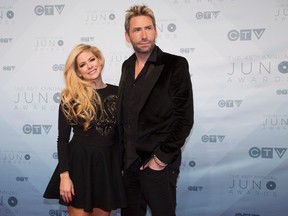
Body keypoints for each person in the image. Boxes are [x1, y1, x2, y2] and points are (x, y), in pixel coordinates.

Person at [117, 4, 194, 216]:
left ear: (156, 31)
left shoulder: (175, 65)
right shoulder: (126, 66)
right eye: (137, 30)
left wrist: (160, 159)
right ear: (127, 36)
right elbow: (126, 115)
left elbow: (184, 118)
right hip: (129, 165)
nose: (144, 35)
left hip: (157, 165)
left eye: (148, 28)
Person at [43, 44, 126, 216]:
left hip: (107, 167)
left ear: (99, 60)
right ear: (78, 72)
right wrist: (64, 176)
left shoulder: (119, 93)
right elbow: (63, 140)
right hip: (79, 167)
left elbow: (122, 136)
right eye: (82, 64)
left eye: (91, 59)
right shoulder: (70, 97)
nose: (89, 66)